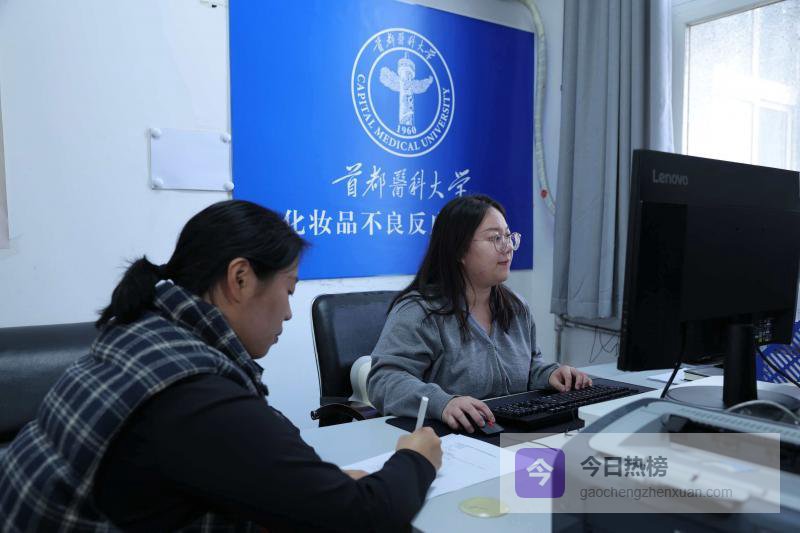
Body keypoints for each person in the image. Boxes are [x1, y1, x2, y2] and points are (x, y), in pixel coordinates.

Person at [0, 200, 442, 532]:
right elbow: (362, 518)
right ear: (240, 278)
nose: (289, 312)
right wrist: (415, 458)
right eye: (289, 290)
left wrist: (309, 485)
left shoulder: (141, 334)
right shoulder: (192, 393)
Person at [368, 194, 592, 433]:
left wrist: (550, 374)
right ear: (459, 250)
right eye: (495, 238)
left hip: (510, 432)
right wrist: (443, 403)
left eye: (508, 236)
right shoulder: (420, 312)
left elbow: (528, 367)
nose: (508, 247)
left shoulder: (516, 307)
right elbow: (384, 380)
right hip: (446, 438)